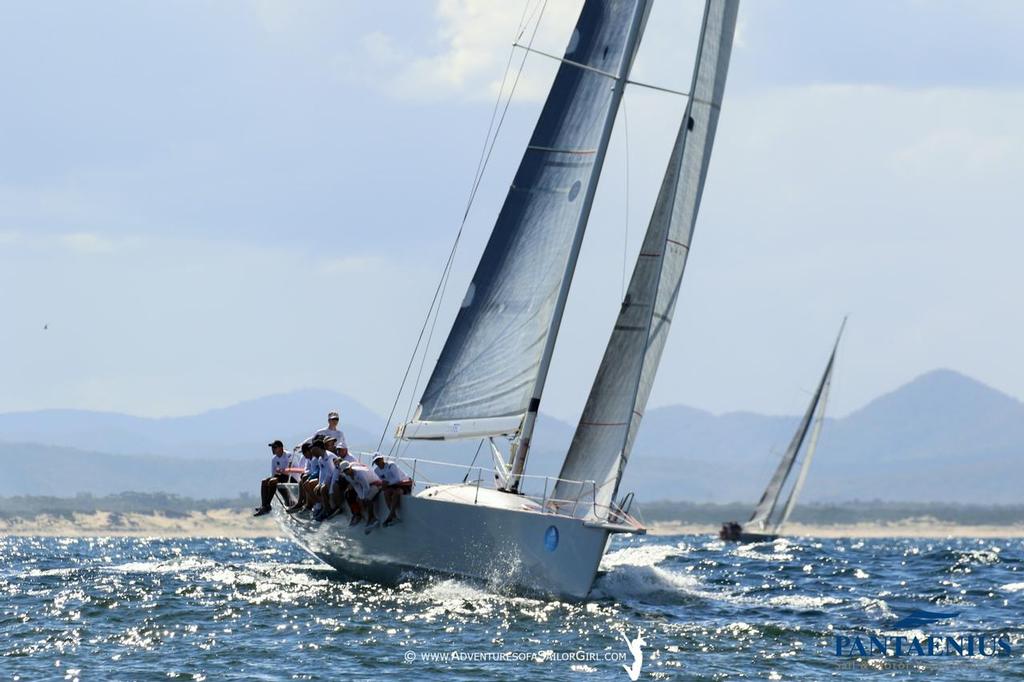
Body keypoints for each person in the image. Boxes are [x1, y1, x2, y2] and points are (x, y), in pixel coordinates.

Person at [338, 460, 382, 532]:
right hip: (366, 485)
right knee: (359, 498)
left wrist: (363, 498)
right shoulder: (347, 477)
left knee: (367, 499)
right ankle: (362, 516)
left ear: (351, 467)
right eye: (345, 471)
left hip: (376, 484)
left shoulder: (360, 474)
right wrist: (361, 497)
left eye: (347, 469)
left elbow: (366, 487)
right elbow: (356, 486)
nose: (347, 472)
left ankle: (372, 518)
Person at [372, 454, 412, 526]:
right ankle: (394, 516)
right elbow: (380, 481)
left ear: (383, 459)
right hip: (392, 485)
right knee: (386, 493)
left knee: (397, 493)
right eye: (376, 461)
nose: (378, 462)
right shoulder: (376, 471)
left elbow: (398, 479)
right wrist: (382, 485)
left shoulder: (391, 465)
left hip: (403, 483)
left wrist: (386, 483)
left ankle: (390, 516)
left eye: (379, 460)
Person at [254, 440, 291, 516]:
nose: (272, 449)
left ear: (281, 448)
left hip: (290, 477)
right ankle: (264, 505)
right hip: (279, 476)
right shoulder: (274, 459)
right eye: (272, 448)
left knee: (273, 481)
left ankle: (267, 505)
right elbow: (274, 474)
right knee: (264, 481)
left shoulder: (288, 455)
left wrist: (280, 471)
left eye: (274, 447)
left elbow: (289, 471)